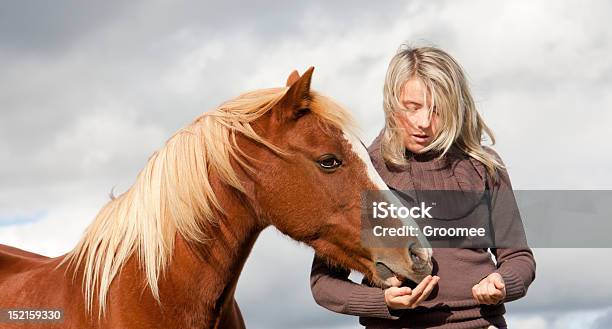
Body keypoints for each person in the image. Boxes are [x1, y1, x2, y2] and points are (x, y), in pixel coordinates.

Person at [310, 45, 536, 329]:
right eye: (412, 108)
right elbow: (324, 282)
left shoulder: (485, 166)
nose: (424, 123)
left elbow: (518, 258)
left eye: (438, 111)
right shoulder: (364, 172)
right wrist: (382, 302)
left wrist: (502, 283)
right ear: (392, 103)